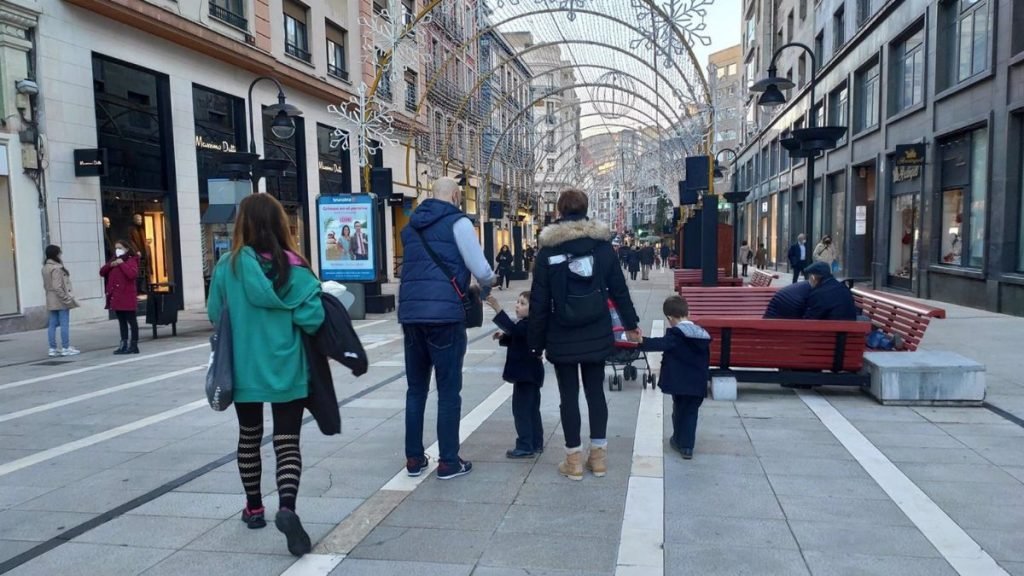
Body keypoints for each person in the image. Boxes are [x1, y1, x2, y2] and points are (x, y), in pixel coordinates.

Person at [207, 193, 325, 557]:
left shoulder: (228, 266)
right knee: (287, 441)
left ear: (242, 224)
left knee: (249, 437)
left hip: (243, 369)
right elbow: (313, 319)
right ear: (279, 224)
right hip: (287, 368)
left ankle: (254, 508)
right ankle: (287, 507)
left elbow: (214, 312)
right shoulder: (297, 268)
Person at [528, 189, 639, 481]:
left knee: (568, 396)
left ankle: (574, 460)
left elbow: (539, 301)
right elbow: (619, 289)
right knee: (595, 392)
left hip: (561, 333)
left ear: (559, 211)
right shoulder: (603, 248)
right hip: (596, 330)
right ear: (586, 209)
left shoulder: (548, 252)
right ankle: (599, 458)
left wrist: (535, 344)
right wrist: (631, 324)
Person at [399, 177, 496, 480]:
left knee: (416, 389)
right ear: (456, 196)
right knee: (448, 392)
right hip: (445, 317)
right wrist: (488, 283)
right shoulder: (459, 223)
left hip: (412, 316)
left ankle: (414, 460)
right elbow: (481, 270)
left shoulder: (410, 226)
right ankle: (448, 462)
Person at [632, 295, 710, 459]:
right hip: (697, 384)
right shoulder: (702, 335)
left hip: (679, 383)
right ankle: (687, 447)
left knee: (678, 411)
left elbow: (659, 344)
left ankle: (677, 439)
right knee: (691, 413)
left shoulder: (676, 335)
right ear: (687, 312)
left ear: (670, 318)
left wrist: (641, 340)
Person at [487, 292, 545, 458]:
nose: (518, 305)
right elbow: (517, 337)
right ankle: (536, 442)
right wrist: (503, 337)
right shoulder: (530, 325)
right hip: (532, 375)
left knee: (521, 411)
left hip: (524, 375)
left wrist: (498, 308)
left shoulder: (526, 325)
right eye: (517, 302)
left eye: (522, 303)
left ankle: (525, 445)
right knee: (533, 409)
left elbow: (514, 330)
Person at [100, 240, 141, 354]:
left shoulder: (131, 260)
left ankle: (134, 345)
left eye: (120, 247)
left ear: (126, 249)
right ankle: (123, 344)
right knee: (122, 322)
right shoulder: (114, 259)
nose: (117, 250)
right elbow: (102, 272)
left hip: (127, 296)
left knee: (132, 321)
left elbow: (132, 274)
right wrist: (110, 265)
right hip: (117, 296)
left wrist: (121, 263)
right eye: (116, 248)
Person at [41, 245, 80, 357]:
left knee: (52, 324)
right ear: (56, 254)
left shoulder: (45, 267)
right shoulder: (56, 268)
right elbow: (57, 287)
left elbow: (46, 285)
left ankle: (52, 348)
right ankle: (65, 347)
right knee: (64, 324)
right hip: (60, 299)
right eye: (59, 253)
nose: (60, 255)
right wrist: (66, 299)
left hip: (50, 298)